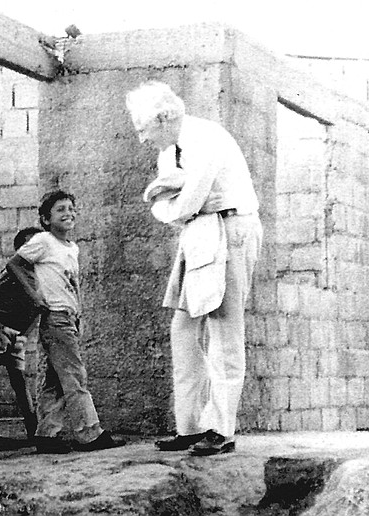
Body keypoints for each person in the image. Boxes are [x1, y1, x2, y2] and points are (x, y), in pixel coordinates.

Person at [126, 81, 263, 456]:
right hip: (199, 235)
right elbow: (164, 206)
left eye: (144, 128)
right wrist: (173, 201)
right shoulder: (169, 153)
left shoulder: (206, 136)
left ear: (165, 117)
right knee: (183, 327)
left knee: (224, 329)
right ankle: (189, 427)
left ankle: (222, 429)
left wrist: (174, 200)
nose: (142, 138)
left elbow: (184, 201)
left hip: (231, 228)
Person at [11, 190, 125, 454]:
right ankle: (89, 433)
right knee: (75, 375)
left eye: (71, 208)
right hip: (55, 317)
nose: (68, 213)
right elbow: (16, 264)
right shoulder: (43, 241)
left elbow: (73, 287)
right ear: (45, 218)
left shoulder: (72, 248)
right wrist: (34, 295)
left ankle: (46, 435)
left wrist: (80, 314)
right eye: (60, 209)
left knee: (54, 378)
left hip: (69, 317)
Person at [0, 227, 42, 440]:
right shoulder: (13, 272)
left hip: (17, 334)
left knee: (19, 379)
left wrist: (24, 334)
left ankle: (33, 429)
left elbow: (38, 309)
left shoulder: (41, 275)